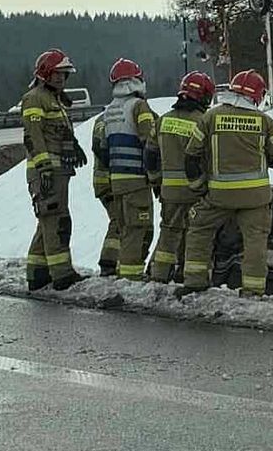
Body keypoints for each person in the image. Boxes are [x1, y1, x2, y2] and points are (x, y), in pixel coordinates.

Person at [176, 69, 273, 299]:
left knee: (199, 230)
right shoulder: (264, 121)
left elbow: (191, 155)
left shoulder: (211, 117)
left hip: (219, 196)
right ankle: (254, 290)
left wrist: (199, 186)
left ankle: (195, 282)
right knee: (255, 242)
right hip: (256, 199)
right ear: (257, 96)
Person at [21, 49, 87, 291]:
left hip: (58, 172)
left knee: (47, 221)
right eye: (57, 74)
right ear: (45, 73)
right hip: (46, 173)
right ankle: (62, 274)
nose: (61, 79)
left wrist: (74, 146)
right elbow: (33, 135)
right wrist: (45, 167)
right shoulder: (34, 98)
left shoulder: (55, 100)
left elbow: (58, 132)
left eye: (64, 74)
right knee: (57, 221)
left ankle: (38, 273)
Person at [146, 71, 216, 283]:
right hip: (196, 191)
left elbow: (150, 155)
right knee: (196, 236)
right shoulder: (203, 122)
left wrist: (156, 181)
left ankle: (159, 276)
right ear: (203, 96)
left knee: (168, 233)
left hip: (169, 192)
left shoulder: (162, 121)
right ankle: (189, 276)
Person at [100, 58, 158, 280]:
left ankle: (124, 271)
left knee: (125, 228)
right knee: (138, 228)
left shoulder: (110, 110)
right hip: (136, 179)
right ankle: (131, 276)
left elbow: (104, 147)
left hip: (117, 179)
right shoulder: (138, 106)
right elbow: (149, 141)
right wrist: (155, 174)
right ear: (138, 80)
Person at [90, 114, 120, 276]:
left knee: (118, 219)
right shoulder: (124, 117)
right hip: (113, 181)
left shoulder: (102, 118)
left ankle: (112, 262)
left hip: (102, 181)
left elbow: (98, 146)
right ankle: (109, 263)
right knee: (120, 220)